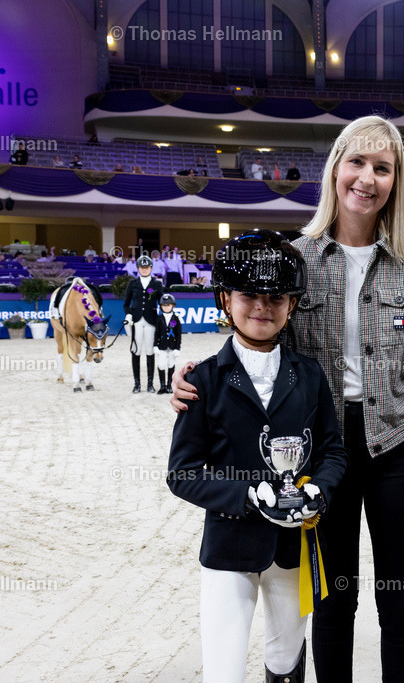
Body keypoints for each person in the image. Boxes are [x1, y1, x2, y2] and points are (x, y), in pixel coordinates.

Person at [173, 115, 404, 683]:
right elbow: (260, 340)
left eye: (383, 168)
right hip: (320, 451)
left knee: (402, 599)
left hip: (397, 446)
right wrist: (197, 372)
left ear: (395, 181)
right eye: (357, 162)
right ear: (335, 171)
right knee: (331, 596)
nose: (367, 178)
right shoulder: (296, 258)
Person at [166, 230, 347, 683]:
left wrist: (319, 491)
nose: (263, 307)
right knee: (223, 669)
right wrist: (247, 494)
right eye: (249, 295)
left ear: (292, 305)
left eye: (276, 297)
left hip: (292, 546)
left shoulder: (310, 374)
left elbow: (332, 450)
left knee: (285, 660)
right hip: (230, 544)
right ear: (225, 300)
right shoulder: (202, 381)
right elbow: (182, 474)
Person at [124, 255, 162, 393]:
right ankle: (137, 383)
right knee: (136, 351)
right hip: (137, 321)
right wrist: (128, 314)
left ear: (151, 268)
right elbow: (126, 303)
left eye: (147, 267)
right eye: (142, 267)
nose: (144, 270)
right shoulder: (133, 283)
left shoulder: (157, 284)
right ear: (138, 268)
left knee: (150, 351)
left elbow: (162, 302)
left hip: (151, 321)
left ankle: (150, 384)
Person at [153, 293, 183, 394]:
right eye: (164, 305)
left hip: (172, 346)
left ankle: (170, 385)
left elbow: (178, 334)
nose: (166, 307)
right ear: (161, 306)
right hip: (162, 346)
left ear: (173, 305)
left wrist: (177, 348)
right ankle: (162, 386)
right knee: (161, 365)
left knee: (171, 364)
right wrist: (155, 345)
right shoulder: (159, 318)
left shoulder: (176, 318)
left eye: (168, 305)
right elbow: (157, 333)